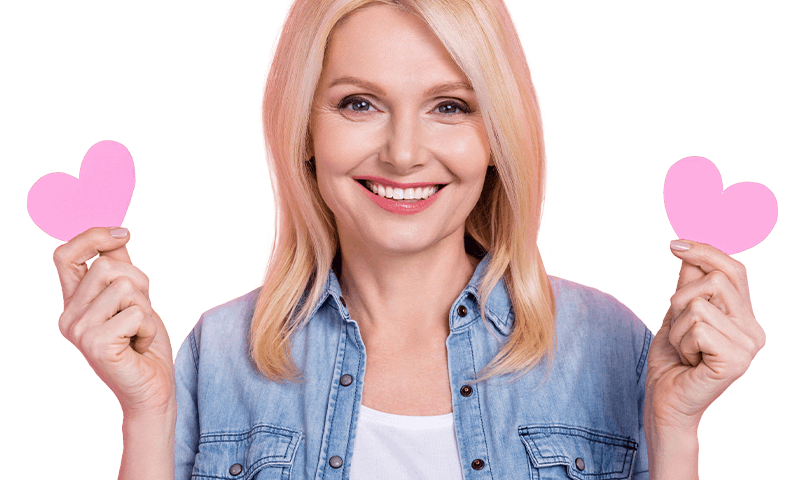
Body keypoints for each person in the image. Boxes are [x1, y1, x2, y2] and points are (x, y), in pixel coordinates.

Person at [53, 1, 766, 479]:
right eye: (358, 103)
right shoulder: (217, 351)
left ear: (498, 138)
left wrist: (677, 428)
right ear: (305, 129)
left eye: (449, 106)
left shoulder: (611, 342)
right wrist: (142, 413)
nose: (401, 153)